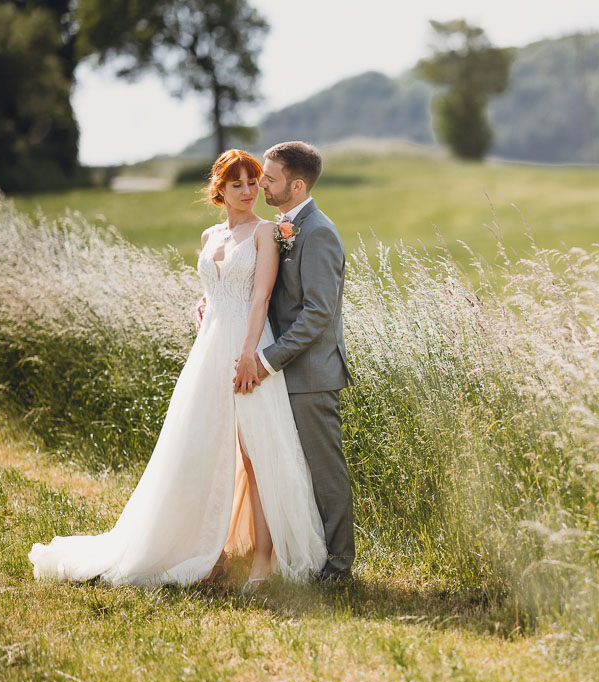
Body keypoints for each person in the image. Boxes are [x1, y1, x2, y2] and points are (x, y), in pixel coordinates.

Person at [28, 149, 327, 591]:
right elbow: (215, 290)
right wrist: (203, 307)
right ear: (220, 190)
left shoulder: (266, 232)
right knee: (201, 447)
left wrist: (249, 354)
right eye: (238, 184)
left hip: (247, 347)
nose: (248, 192)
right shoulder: (209, 237)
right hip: (208, 350)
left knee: (254, 452)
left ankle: (263, 560)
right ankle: (208, 550)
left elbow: (260, 298)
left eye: (253, 183)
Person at [234, 141, 355, 583]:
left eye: (269, 178)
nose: (261, 184)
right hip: (288, 372)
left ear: (297, 184)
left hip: (311, 373)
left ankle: (339, 567)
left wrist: (267, 360)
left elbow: (318, 313)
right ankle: (302, 554)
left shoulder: (318, 232)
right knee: (291, 467)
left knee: (325, 470)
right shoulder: (283, 226)